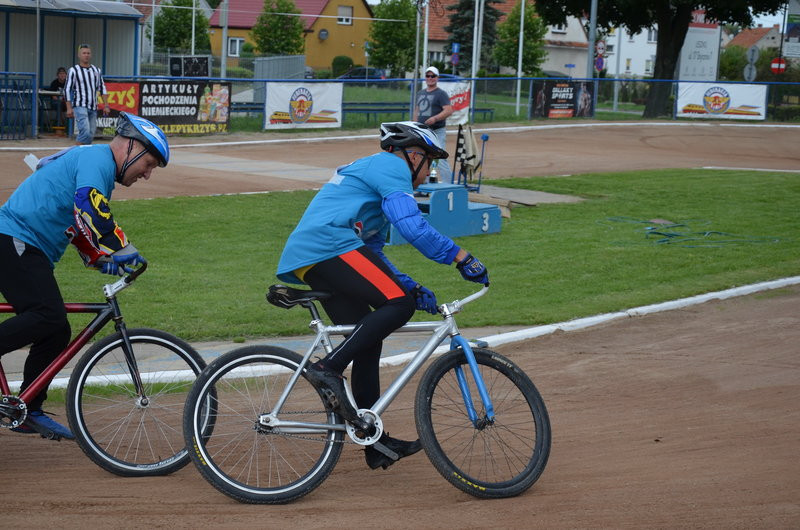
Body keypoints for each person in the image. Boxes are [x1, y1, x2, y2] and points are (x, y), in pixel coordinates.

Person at [276, 121, 489, 470]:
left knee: (367, 337)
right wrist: (460, 256)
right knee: (398, 304)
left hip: (318, 254)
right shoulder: (391, 166)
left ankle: (373, 441)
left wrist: (411, 285)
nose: (430, 170)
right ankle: (327, 368)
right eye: (430, 161)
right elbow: (413, 226)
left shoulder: (378, 182)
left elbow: (373, 256)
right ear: (412, 154)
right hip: (327, 247)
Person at [0, 113, 169, 439]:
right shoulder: (98, 158)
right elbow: (89, 207)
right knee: (48, 315)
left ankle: (27, 409)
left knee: (56, 329)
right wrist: (121, 246)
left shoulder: (97, 167)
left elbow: (78, 222)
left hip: (23, 244)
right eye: (148, 164)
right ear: (131, 147)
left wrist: (98, 257)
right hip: (14, 239)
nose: (147, 174)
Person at [413, 66, 454, 182]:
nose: (430, 78)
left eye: (433, 76)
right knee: (422, 158)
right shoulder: (420, 93)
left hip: (437, 131)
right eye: (428, 76)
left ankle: (448, 185)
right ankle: (423, 185)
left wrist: (435, 118)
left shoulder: (441, 94)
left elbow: (448, 110)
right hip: (423, 131)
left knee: (440, 158)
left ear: (437, 78)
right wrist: (414, 126)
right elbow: (417, 111)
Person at [65, 44, 111, 145]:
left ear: (91, 55)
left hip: (93, 106)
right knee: (85, 131)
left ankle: (83, 154)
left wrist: (106, 105)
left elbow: (102, 88)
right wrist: (69, 108)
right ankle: (76, 154)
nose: (86, 55)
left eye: (88, 53)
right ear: (79, 55)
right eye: (84, 53)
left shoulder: (96, 70)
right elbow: (67, 89)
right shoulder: (73, 70)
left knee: (91, 133)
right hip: (80, 105)